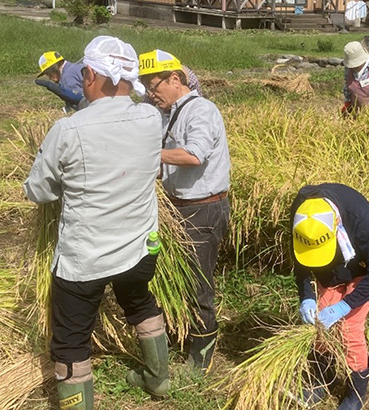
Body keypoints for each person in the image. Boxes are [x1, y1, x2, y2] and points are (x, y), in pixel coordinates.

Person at [23, 36, 169, 410]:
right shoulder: (151, 117)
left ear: (89, 74)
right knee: (138, 302)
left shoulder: (68, 129)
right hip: (140, 247)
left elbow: (38, 191)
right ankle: (159, 378)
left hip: (85, 258)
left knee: (71, 340)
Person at [139, 49, 231, 374]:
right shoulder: (169, 112)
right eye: (146, 88)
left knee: (198, 282)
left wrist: (149, 152)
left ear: (174, 79)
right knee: (181, 277)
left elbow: (194, 155)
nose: (151, 94)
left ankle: (202, 354)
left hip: (202, 210)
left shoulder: (201, 111)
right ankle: (185, 336)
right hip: (178, 208)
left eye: (154, 86)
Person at [291, 183, 369, 410]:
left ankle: (355, 392)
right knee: (319, 326)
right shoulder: (302, 213)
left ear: (336, 225)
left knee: (348, 328)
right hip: (329, 267)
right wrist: (307, 296)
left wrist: (344, 306)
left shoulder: (359, 218)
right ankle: (321, 379)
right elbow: (300, 260)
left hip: (365, 268)